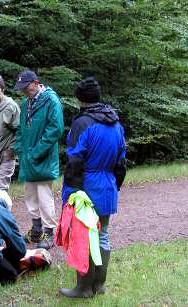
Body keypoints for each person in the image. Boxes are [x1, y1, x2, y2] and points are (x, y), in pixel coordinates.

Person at [59, 77, 126, 298]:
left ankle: (84, 288)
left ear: (80, 98)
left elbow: (75, 160)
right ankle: (100, 285)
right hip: (108, 184)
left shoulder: (82, 123)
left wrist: (69, 193)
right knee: (103, 234)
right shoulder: (116, 123)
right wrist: (114, 185)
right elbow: (121, 161)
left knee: (84, 235)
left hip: (87, 184)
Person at [13, 70, 64, 250]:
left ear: (36, 83)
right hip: (27, 157)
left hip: (43, 158)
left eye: (26, 88)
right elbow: (20, 130)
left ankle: (49, 232)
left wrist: (36, 152)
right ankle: (36, 229)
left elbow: (55, 129)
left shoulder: (51, 100)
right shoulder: (26, 103)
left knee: (44, 196)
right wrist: (18, 149)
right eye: (22, 89)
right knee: (30, 195)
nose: (24, 92)